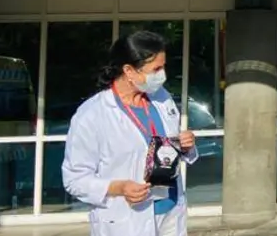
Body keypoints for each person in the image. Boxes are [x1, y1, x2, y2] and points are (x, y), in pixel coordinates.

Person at [62, 31, 199, 236]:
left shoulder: (162, 98)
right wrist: (119, 187)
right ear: (129, 71)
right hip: (126, 219)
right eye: (156, 69)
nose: (162, 75)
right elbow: (74, 180)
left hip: (170, 211)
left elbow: (168, 147)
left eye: (163, 67)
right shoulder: (92, 115)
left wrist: (186, 146)